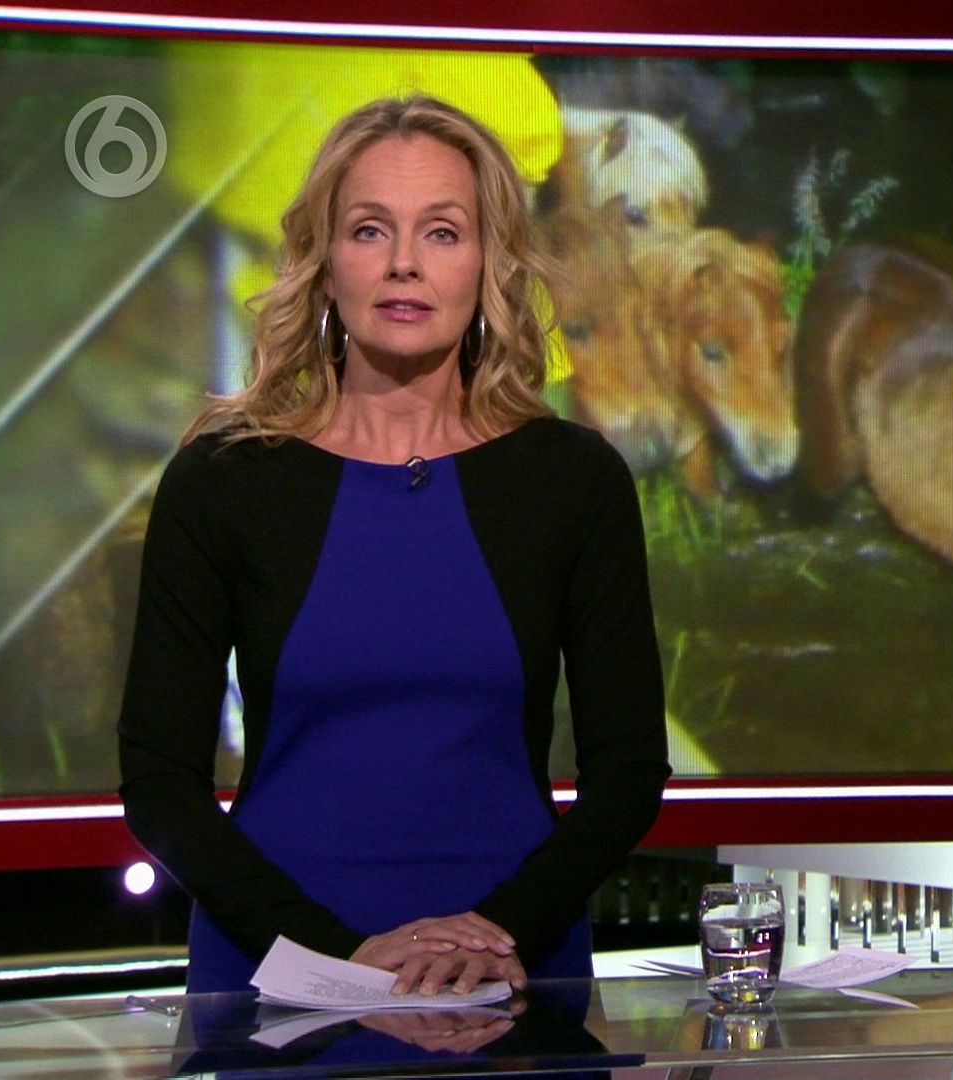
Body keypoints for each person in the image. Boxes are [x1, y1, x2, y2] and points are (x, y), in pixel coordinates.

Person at [118, 95, 671, 995]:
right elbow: (159, 783)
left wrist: (499, 932)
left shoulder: (572, 481)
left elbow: (629, 773)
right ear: (323, 259)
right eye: (370, 230)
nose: (404, 263)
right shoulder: (226, 480)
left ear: (490, 260)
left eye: (442, 232)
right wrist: (334, 956)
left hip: (510, 969)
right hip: (281, 971)